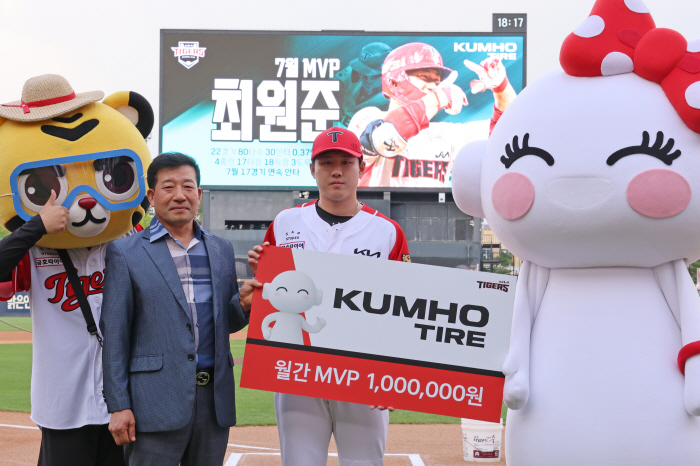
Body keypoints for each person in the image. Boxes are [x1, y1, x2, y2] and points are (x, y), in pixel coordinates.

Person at [247, 127, 410, 466]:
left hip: (362, 372)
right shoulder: (285, 223)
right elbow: (272, 293)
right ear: (313, 169)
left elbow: (402, 308)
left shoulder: (387, 232)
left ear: (361, 168)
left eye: (346, 162)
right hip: (298, 369)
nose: (337, 170)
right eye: (327, 162)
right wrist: (260, 274)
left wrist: (395, 375)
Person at [100, 152, 259, 465]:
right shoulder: (126, 252)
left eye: (188, 187)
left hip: (213, 402)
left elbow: (222, 323)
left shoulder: (221, 249)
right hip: (154, 401)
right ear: (152, 195)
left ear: (198, 194)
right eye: (168, 187)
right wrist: (118, 405)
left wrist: (241, 305)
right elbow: (115, 333)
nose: (179, 195)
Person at [348, 42, 517, 187]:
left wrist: (501, 88)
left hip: (431, 222)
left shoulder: (445, 135)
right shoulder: (367, 117)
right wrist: (439, 98)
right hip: (378, 222)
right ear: (393, 83)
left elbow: (508, 135)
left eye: (436, 81)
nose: (433, 86)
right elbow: (385, 138)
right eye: (424, 77)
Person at [336, 42, 392, 126]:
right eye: (362, 73)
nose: (366, 80)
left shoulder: (393, 100)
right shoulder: (352, 71)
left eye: (372, 76)